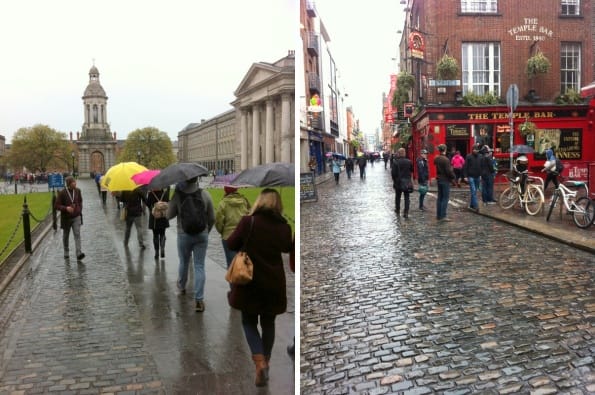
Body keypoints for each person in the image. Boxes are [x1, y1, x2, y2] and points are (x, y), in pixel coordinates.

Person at [226, 188, 292, 387]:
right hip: (273, 281)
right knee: (269, 323)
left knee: (248, 322)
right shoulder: (283, 226)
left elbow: (231, 244)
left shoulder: (249, 222)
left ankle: (259, 361)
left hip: (250, 281)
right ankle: (266, 362)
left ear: (260, 202)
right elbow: (287, 247)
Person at [167, 176, 215, 313]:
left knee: (184, 262)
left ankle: (182, 286)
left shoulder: (177, 195)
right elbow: (212, 218)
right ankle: (199, 299)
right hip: (201, 234)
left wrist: (169, 204)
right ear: (196, 179)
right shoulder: (205, 194)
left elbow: (168, 216)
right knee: (199, 266)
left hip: (184, 234)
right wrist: (207, 231)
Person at [215, 185, 251, 269]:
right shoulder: (244, 201)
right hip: (243, 236)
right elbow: (250, 215)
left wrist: (222, 231)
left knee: (231, 265)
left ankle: (233, 281)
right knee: (243, 263)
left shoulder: (223, 203)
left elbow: (218, 221)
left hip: (228, 236)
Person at [54, 176, 85, 260]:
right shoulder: (62, 193)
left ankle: (79, 253)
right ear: (69, 184)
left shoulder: (78, 191)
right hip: (66, 218)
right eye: (73, 182)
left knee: (77, 234)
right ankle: (66, 251)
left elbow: (80, 201)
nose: (75, 183)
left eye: (75, 181)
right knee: (66, 236)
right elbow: (56, 205)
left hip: (76, 217)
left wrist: (79, 209)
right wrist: (66, 208)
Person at [147, 187, 170, 259]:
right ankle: (162, 248)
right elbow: (167, 203)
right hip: (163, 217)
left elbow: (148, 204)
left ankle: (156, 252)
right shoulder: (165, 193)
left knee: (155, 235)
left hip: (154, 218)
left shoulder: (151, 194)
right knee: (163, 234)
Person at [434, 144, 456, 221]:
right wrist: (453, 177)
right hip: (445, 180)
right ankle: (443, 215)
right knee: (445, 198)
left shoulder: (437, 159)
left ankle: (438, 215)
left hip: (439, 179)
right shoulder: (445, 160)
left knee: (440, 198)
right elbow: (448, 171)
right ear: (445, 150)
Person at [391, 147, 413, 218]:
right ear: (404, 153)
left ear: (398, 153)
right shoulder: (409, 161)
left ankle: (397, 210)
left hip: (398, 182)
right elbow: (411, 170)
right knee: (407, 197)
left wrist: (394, 181)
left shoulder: (395, 162)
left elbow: (393, 173)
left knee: (398, 197)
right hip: (407, 182)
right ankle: (406, 212)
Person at [463, 144, 482, 211]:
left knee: (474, 191)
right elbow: (465, 166)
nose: (475, 150)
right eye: (474, 149)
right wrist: (465, 176)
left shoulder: (480, 156)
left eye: (476, 149)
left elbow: (482, 166)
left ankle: (471, 205)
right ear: (472, 150)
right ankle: (476, 206)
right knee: (473, 191)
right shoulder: (469, 156)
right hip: (471, 176)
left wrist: (481, 175)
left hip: (478, 176)